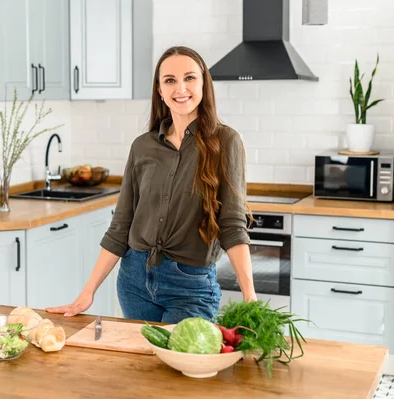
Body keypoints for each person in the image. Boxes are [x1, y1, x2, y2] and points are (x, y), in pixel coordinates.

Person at [46, 46, 257, 324]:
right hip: (134, 281)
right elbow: (121, 225)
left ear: (204, 83)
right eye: (170, 80)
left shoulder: (226, 142)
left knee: (187, 363)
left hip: (190, 287)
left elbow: (232, 224)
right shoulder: (142, 146)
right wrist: (88, 292)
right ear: (159, 89)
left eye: (190, 78)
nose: (180, 88)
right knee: (142, 366)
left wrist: (250, 299)